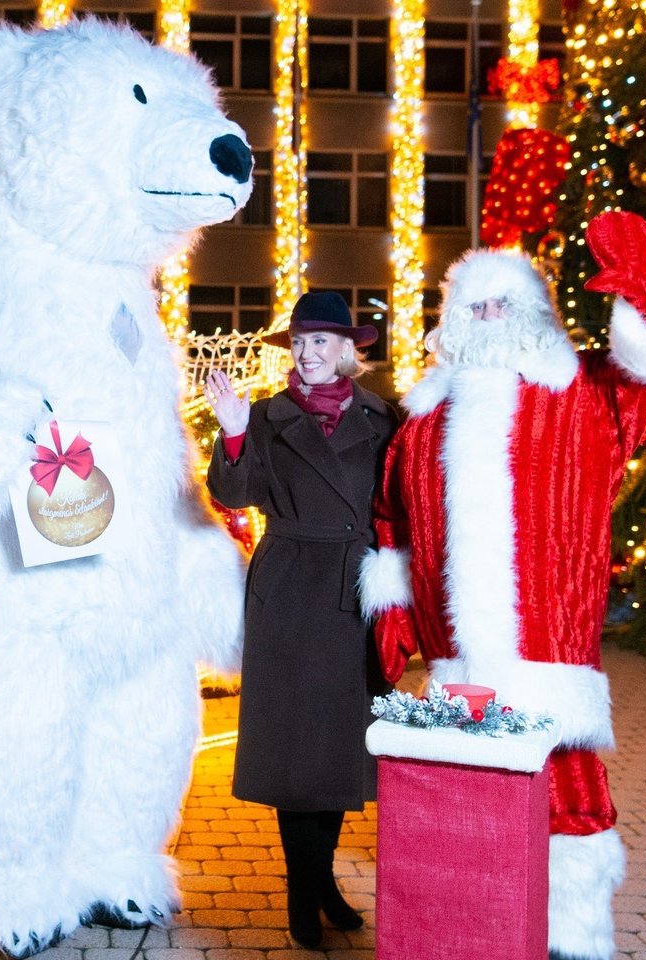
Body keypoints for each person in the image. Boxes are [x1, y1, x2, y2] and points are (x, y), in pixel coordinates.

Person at [358, 211, 646, 960]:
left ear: (538, 315)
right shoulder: (422, 423)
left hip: (551, 658)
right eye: (473, 306)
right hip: (459, 673)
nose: (488, 318)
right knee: (462, 802)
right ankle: (475, 928)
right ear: (451, 321)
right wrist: (392, 615)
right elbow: (392, 521)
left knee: (567, 795)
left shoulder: (583, 396)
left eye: (504, 304)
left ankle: (573, 939)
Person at [205, 291, 397, 948]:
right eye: (300, 343)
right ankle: (301, 890)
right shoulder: (264, 416)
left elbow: (400, 498)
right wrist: (231, 431)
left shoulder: (383, 416)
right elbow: (234, 493)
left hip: (352, 587)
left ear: (347, 351)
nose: (309, 353)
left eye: (322, 342)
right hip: (289, 587)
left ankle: (321, 884)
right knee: (295, 748)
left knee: (337, 748)